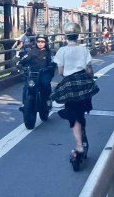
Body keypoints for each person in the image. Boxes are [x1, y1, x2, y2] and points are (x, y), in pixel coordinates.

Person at [50, 23, 96, 157]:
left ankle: (79, 145)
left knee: (73, 115)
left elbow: (61, 71)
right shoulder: (84, 50)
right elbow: (88, 70)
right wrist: (89, 76)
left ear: (66, 36)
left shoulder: (62, 51)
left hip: (70, 85)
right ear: (78, 36)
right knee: (82, 109)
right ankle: (83, 133)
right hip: (83, 83)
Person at [18, 32, 55, 109]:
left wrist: (51, 65)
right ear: (36, 42)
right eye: (38, 41)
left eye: (42, 41)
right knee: (27, 85)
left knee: (45, 84)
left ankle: (48, 100)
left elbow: (52, 60)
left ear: (46, 42)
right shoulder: (32, 51)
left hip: (45, 73)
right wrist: (20, 64)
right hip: (33, 73)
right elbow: (25, 58)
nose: (40, 43)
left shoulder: (48, 52)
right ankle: (25, 104)